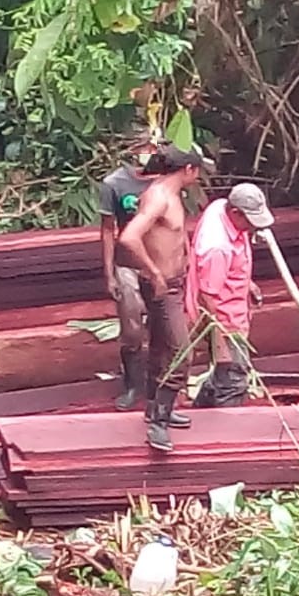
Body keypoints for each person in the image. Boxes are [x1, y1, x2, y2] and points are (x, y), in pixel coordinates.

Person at [118, 145, 210, 451]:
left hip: (175, 282)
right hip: (162, 285)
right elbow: (129, 237)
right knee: (181, 352)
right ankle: (158, 422)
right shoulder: (159, 197)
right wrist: (155, 273)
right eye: (198, 172)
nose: (198, 178)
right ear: (188, 170)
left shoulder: (170, 195)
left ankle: (157, 410)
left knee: (160, 347)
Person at [186, 183, 274, 408]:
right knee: (234, 380)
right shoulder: (218, 247)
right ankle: (225, 430)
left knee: (222, 376)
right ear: (235, 213)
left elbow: (224, 269)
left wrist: (246, 282)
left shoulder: (219, 207)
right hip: (225, 321)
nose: (253, 228)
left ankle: (201, 410)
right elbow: (207, 297)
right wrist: (220, 343)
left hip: (233, 306)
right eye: (250, 221)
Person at [98, 139, 166, 411]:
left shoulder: (164, 179)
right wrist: (109, 273)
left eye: (151, 148)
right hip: (127, 264)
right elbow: (106, 229)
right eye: (141, 148)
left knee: (163, 325)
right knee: (132, 328)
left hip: (159, 262)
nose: (146, 154)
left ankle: (158, 385)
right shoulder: (113, 184)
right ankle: (131, 384)